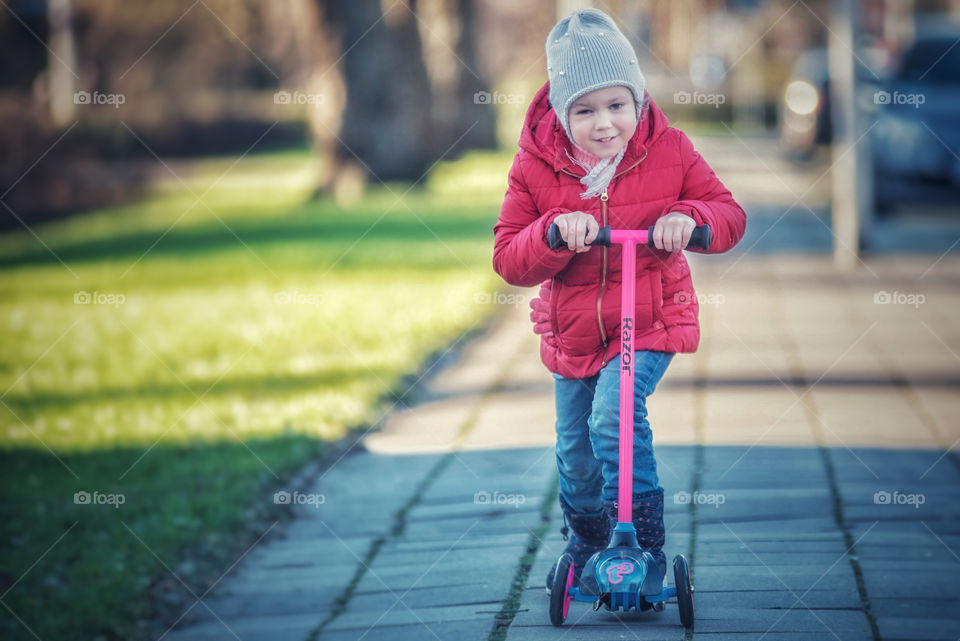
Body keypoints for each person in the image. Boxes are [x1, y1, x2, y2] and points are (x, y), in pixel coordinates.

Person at [492, 8, 746, 594]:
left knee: (614, 415)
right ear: (561, 111)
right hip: (574, 330)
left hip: (649, 318)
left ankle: (644, 545)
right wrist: (554, 230)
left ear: (638, 99)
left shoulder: (671, 149)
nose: (604, 123)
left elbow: (729, 214)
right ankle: (587, 542)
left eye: (616, 105)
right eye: (584, 110)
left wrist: (690, 218)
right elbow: (508, 257)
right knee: (575, 454)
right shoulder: (535, 165)